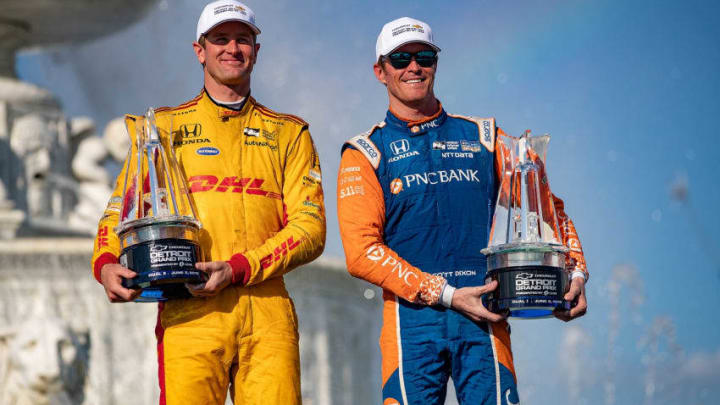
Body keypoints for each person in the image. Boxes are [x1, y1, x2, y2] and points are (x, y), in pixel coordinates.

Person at [337, 17, 588, 404]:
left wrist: (573, 272)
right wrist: (447, 294)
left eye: (425, 56)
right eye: (401, 58)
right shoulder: (364, 152)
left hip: (485, 320)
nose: (414, 67)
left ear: (436, 63)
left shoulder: (485, 136)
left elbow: (546, 208)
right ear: (380, 71)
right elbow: (361, 253)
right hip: (411, 325)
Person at [90, 1, 326, 404]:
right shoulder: (162, 128)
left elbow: (311, 228)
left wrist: (238, 269)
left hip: (266, 311)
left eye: (243, 39)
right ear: (200, 50)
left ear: (256, 49)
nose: (232, 48)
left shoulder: (289, 133)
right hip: (189, 311)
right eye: (221, 39)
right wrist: (106, 263)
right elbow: (120, 211)